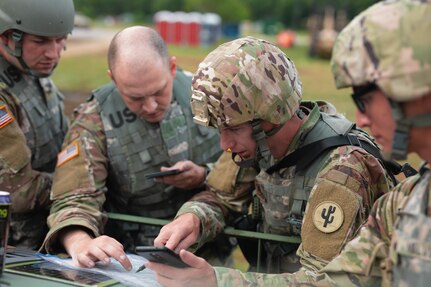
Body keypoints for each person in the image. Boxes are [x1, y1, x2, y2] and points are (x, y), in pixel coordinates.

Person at [147, 36, 399, 286]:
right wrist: (192, 219)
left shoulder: (342, 169)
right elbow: (219, 197)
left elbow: (323, 281)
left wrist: (217, 281)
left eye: (233, 129)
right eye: (220, 130)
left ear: (269, 118)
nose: (225, 144)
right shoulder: (256, 146)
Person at [39, 26, 225, 271]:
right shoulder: (94, 119)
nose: (150, 106)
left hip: (210, 255)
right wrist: (80, 241)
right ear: (114, 78)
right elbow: (74, 196)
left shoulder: (209, 95)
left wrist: (204, 173)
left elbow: (247, 167)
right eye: (135, 98)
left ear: (171, 67)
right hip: (132, 261)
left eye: (159, 92)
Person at [298, 0, 431, 286]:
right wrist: (214, 279)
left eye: (364, 99)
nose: (361, 118)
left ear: (412, 86)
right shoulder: (405, 201)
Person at [0, 0, 74, 249]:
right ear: (8, 36)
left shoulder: (30, 71)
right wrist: (83, 183)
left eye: (60, 39)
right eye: (41, 41)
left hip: (43, 234)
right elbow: (18, 191)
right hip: (13, 250)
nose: (54, 53)